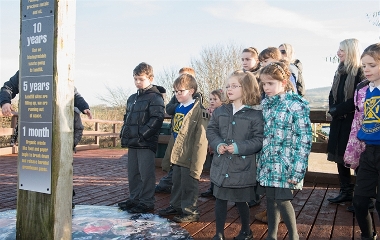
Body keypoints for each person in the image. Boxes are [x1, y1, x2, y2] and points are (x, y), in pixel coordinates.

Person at [0, 70, 92, 209]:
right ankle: (32, 203)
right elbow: (8, 87)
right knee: (34, 168)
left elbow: (74, 93)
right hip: (35, 130)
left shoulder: (59, 69)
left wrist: (84, 107)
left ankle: (65, 201)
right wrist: (5, 102)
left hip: (57, 131)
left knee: (61, 169)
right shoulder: (26, 69)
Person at [257, 61, 312, 240]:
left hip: (287, 164)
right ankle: (271, 236)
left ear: (284, 81)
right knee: (271, 200)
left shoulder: (295, 105)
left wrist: (297, 169)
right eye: (264, 83)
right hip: (268, 163)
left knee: (283, 199)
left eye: (270, 83)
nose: (266, 87)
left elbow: (304, 139)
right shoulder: (265, 105)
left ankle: (293, 236)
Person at [207, 70, 263, 240]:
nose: (228, 89)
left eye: (234, 86)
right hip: (221, 164)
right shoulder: (220, 111)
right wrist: (217, 144)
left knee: (241, 201)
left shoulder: (255, 114)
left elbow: (259, 140)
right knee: (220, 199)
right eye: (227, 86)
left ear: (246, 88)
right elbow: (211, 130)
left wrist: (239, 147)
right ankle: (219, 233)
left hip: (242, 167)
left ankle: (246, 231)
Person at [158, 73, 209, 223]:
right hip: (177, 154)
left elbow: (202, 139)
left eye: (181, 91)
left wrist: (197, 163)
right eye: (175, 91)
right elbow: (175, 134)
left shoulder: (199, 111)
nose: (177, 94)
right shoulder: (179, 108)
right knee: (177, 182)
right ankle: (176, 206)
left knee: (189, 184)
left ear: (191, 91)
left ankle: (190, 211)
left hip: (190, 154)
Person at [118, 62, 165, 213]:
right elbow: (127, 118)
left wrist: (141, 135)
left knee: (146, 173)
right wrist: (124, 134)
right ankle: (135, 199)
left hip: (146, 142)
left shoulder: (155, 97)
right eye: (135, 79)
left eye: (141, 79)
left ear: (150, 78)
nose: (137, 82)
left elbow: (157, 119)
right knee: (133, 172)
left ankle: (146, 201)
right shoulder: (132, 98)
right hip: (132, 142)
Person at [326, 39, 364, 204]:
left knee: (355, 158)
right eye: (338, 49)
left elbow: (357, 99)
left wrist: (336, 110)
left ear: (351, 51)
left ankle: (362, 195)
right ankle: (345, 191)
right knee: (340, 156)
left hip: (352, 122)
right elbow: (332, 94)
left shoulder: (360, 72)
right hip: (338, 122)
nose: (338, 53)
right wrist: (332, 108)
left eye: (342, 50)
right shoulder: (339, 72)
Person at [353, 43, 380, 240]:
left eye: (371, 65)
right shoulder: (364, 90)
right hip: (368, 151)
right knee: (360, 202)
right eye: (364, 66)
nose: (366, 70)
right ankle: (367, 235)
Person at [155, 67, 197, 194]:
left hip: (187, 136)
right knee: (173, 161)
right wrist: (178, 105)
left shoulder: (197, 96)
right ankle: (171, 185)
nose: (181, 80)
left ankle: (174, 187)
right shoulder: (177, 95)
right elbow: (168, 108)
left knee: (182, 164)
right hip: (175, 133)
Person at [199, 89, 224, 198]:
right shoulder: (207, 112)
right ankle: (212, 188)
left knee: (219, 168)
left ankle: (218, 189)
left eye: (215, 99)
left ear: (222, 100)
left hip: (218, 144)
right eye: (210, 99)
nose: (212, 101)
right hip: (208, 143)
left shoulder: (223, 113)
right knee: (213, 168)